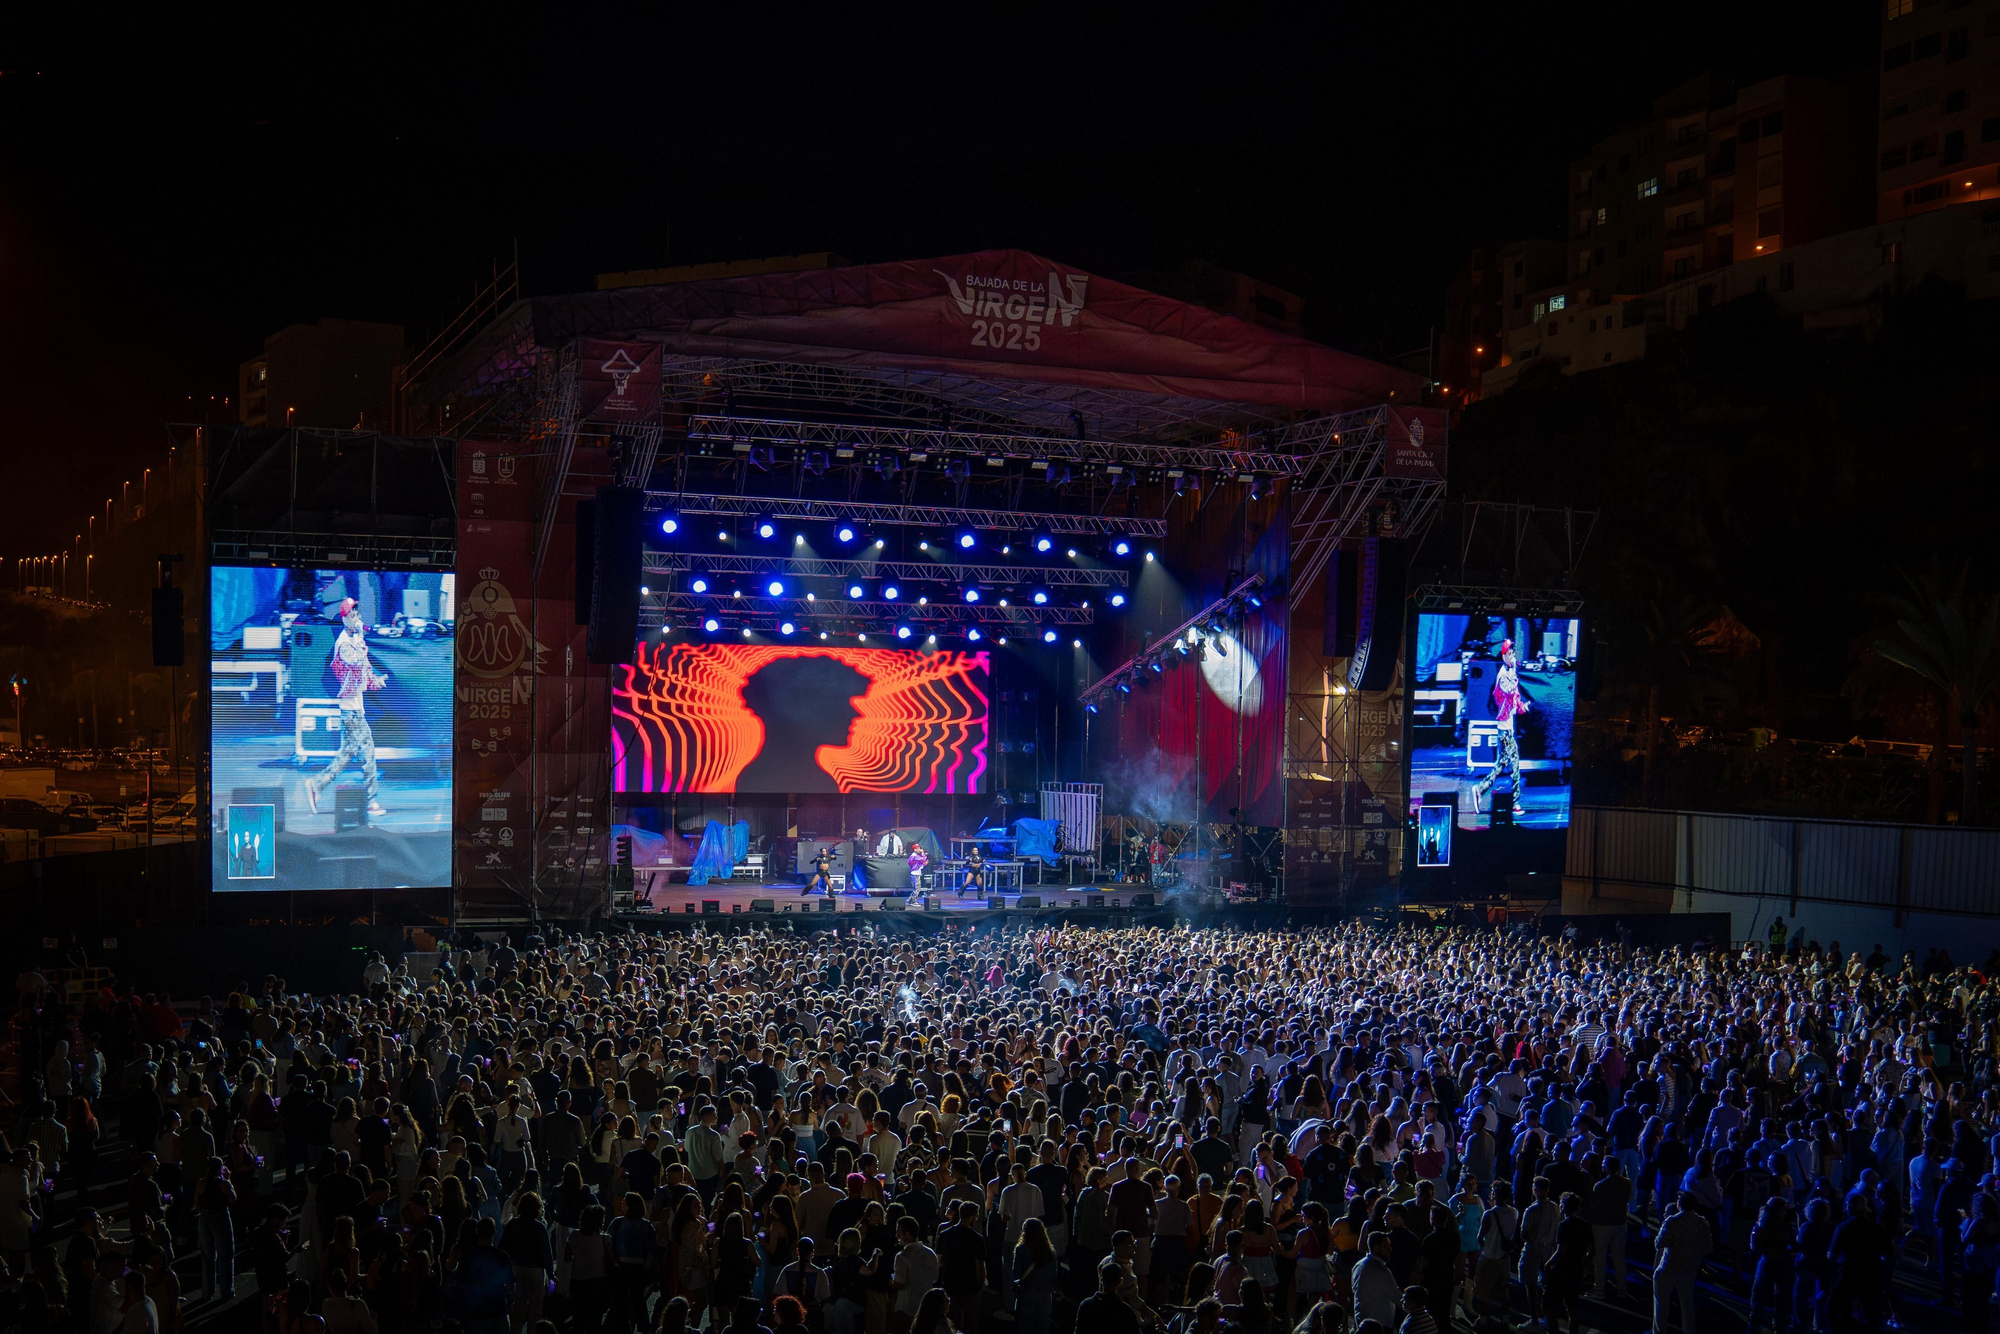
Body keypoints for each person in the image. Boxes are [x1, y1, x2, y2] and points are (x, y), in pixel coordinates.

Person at [304, 597, 389, 819]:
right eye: (352, 615)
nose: (356, 618)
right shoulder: (343, 644)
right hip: (351, 711)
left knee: (346, 754)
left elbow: (365, 669)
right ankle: (371, 800)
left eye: (357, 614)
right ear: (344, 619)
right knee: (368, 753)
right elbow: (357, 661)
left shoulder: (353, 640)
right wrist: (360, 637)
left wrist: (376, 681)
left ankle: (316, 784)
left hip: (353, 708)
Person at [1471, 639, 1530, 818]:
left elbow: (1515, 698)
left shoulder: (1509, 673)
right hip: (1505, 731)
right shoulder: (1503, 676)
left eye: (1513, 653)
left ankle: (1480, 789)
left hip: (1507, 729)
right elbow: (1510, 690)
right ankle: (1515, 803)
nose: (1513, 656)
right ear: (1504, 656)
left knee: (1500, 766)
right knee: (1515, 765)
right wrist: (1514, 671)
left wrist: (1522, 707)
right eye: (1510, 653)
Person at [1653, 1191, 1712, 1334]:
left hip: (1668, 1267)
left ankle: (1659, 1331)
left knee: (1661, 1305)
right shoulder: (1703, 1223)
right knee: (1687, 1304)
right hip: (1689, 1268)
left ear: (1680, 1204)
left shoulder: (1672, 1221)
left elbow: (1659, 1243)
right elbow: (1708, 1247)